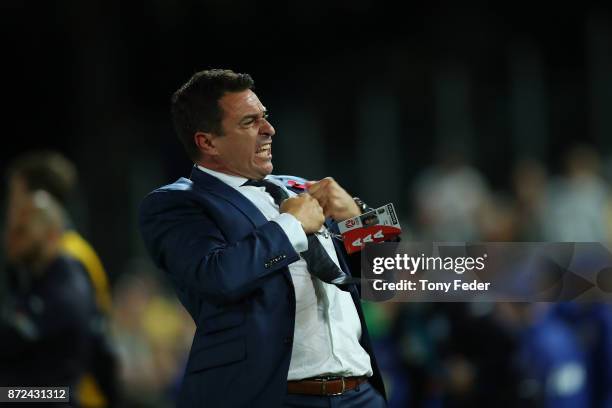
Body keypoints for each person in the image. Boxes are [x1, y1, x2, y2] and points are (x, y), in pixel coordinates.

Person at [139, 69, 388, 407]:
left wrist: (360, 214)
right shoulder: (176, 203)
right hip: (275, 398)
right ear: (207, 141)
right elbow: (218, 276)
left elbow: (392, 276)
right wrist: (291, 227)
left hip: (361, 395)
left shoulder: (300, 187)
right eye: (249, 122)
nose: (269, 130)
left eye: (265, 118)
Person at [5, 151, 118, 407]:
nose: (11, 210)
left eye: (15, 195)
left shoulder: (70, 261)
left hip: (76, 395)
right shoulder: (43, 267)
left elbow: (91, 344)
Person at [0, 189, 97, 406]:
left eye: (23, 231)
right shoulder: (33, 280)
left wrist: (4, 395)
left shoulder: (64, 288)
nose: (13, 237)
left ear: (53, 234)